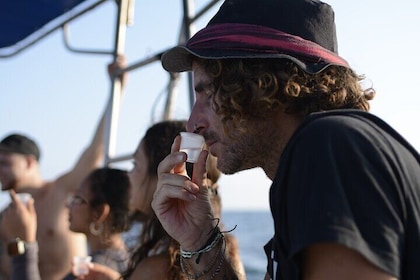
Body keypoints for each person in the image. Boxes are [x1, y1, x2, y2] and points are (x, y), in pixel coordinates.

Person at [151, 0, 420, 279]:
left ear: (262, 82)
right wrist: (200, 240)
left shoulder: (327, 148)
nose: (194, 124)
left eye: (206, 93)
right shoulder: (321, 162)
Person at [0, 57, 127, 280]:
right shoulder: (7, 218)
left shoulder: (62, 191)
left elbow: (96, 149)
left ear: (29, 162)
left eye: (4, 163)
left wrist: (117, 90)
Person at [84, 120, 245, 280]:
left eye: (135, 164)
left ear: (166, 176)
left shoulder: (154, 269)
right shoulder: (226, 253)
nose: (128, 175)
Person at [0, 167, 131, 280]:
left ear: (99, 212)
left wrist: (22, 242)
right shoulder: (121, 259)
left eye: (78, 198)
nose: (68, 205)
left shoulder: (96, 271)